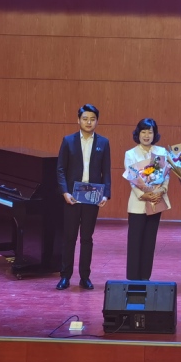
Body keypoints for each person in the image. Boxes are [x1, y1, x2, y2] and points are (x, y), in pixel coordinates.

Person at [55, 104, 111, 291]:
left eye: (92, 119)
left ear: (97, 121)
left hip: (92, 197)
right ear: (78, 120)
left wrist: (106, 194)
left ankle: (85, 277)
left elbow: (106, 171)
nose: (89, 122)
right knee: (69, 237)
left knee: (87, 238)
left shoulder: (103, 143)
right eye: (85, 119)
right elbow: (60, 169)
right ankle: (65, 276)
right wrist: (65, 192)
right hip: (72, 196)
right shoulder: (68, 141)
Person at [124, 118, 170, 281]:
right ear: (138, 133)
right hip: (138, 203)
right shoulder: (130, 154)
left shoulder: (161, 152)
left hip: (156, 201)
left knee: (150, 242)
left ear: (154, 134)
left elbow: (166, 176)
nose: (146, 135)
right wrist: (143, 194)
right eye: (143, 132)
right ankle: (132, 278)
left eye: (150, 132)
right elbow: (132, 178)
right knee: (135, 241)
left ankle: (145, 278)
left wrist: (161, 190)